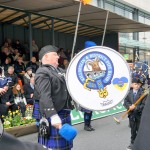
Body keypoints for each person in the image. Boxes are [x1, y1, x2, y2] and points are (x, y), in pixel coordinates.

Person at [34, 45, 74, 150]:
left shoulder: (60, 70)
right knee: (53, 148)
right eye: (55, 55)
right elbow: (44, 95)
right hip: (54, 112)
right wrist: (53, 116)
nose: (58, 57)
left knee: (66, 147)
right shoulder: (42, 71)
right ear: (46, 56)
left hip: (64, 112)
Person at [123, 77, 147, 149]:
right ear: (132, 85)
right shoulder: (128, 93)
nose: (137, 86)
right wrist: (129, 106)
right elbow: (125, 102)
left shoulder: (143, 93)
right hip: (131, 115)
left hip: (139, 115)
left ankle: (142, 143)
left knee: (140, 130)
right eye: (135, 84)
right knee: (133, 130)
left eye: (138, 84)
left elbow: (144, 105)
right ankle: (132, 143)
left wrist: (135, 108)